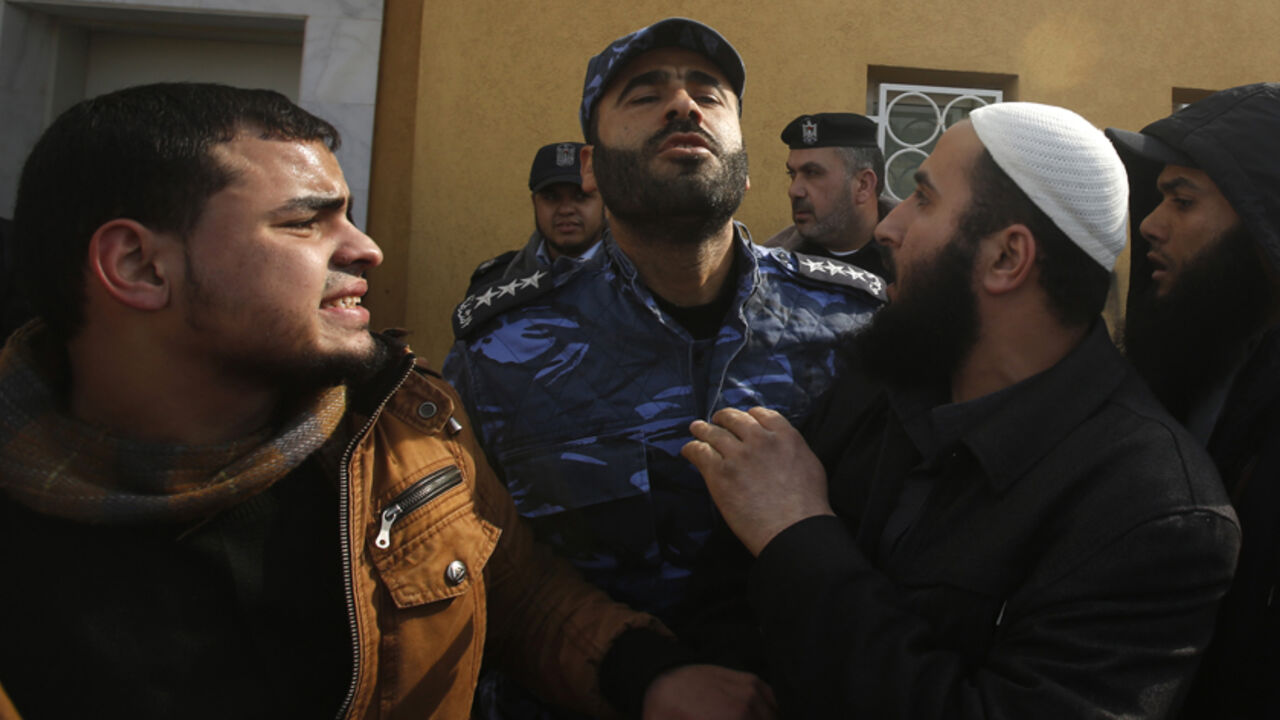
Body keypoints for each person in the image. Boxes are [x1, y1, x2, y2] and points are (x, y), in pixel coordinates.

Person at [0, 82, 776, 720]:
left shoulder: (404, 431)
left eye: (348, 212)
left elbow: (517, 591)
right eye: (304, 222)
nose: (366, 249)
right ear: (138, 266)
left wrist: (647, 675)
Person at [683, 101, 1241, 718]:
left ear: (1006, 258)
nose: (889, 227)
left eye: (923, 198)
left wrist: (800, 535)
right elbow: (728, 584)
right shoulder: (882, 382)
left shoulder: (1153, 510)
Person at [445, 17, 883, 715]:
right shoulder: (500, 349)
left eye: (708, 95)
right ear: (591, 167)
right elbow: (469, 560)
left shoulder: (855, 324)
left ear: (742, 155)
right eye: (646, 95)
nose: (684, 106)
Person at [1107, 82, 1280, 719]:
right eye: (1158, 198)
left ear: (1264, 222)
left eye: (1182, 201)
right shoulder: (1197, 355)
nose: (1150, 225)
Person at [762, 112, 894, 279]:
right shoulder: (767, 269)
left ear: (863, 185)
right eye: (792, 174)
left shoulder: (917, 261)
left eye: (812, 173)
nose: (794, 190)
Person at [467, 141, 606, 293]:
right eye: (551, 197)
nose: (565, 210)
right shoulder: (494, 284)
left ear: (606, 203)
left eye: (581, 196)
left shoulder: (626, 282)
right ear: (535, 203)